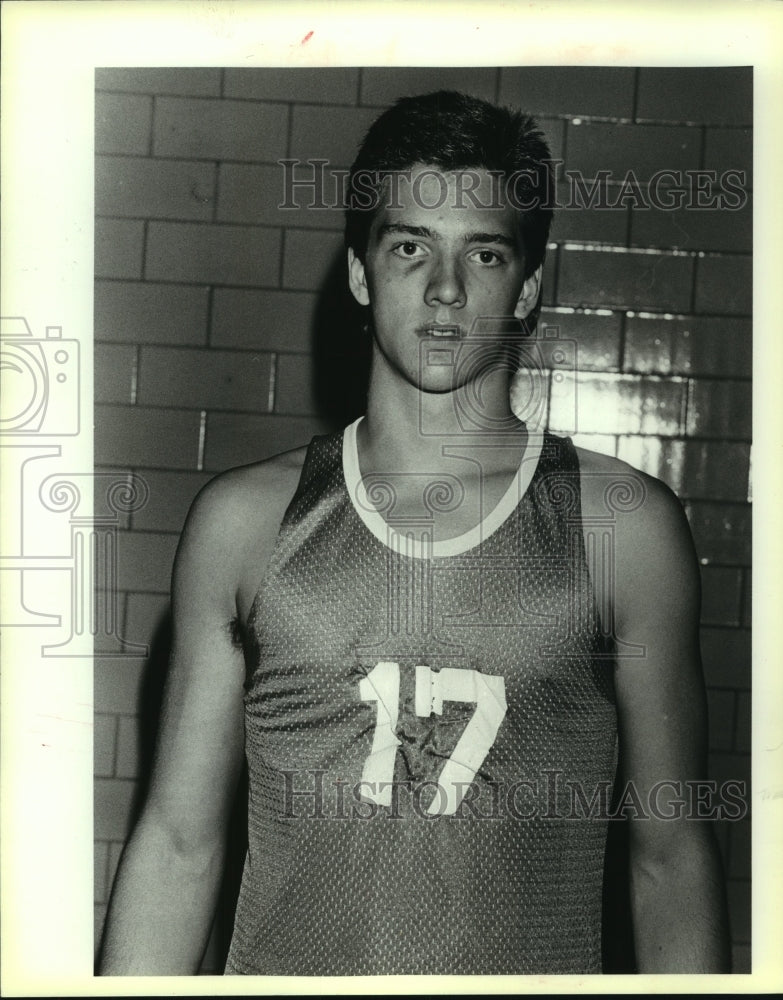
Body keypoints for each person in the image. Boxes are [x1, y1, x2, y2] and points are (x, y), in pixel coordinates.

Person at [98, 90, 730, 976]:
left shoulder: (621, 529)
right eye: (409, 248)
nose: (444, 289)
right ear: (359, 273)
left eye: (483, 252)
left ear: (529, 287)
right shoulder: (245, 523)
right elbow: (176, 843)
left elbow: (668, 861)